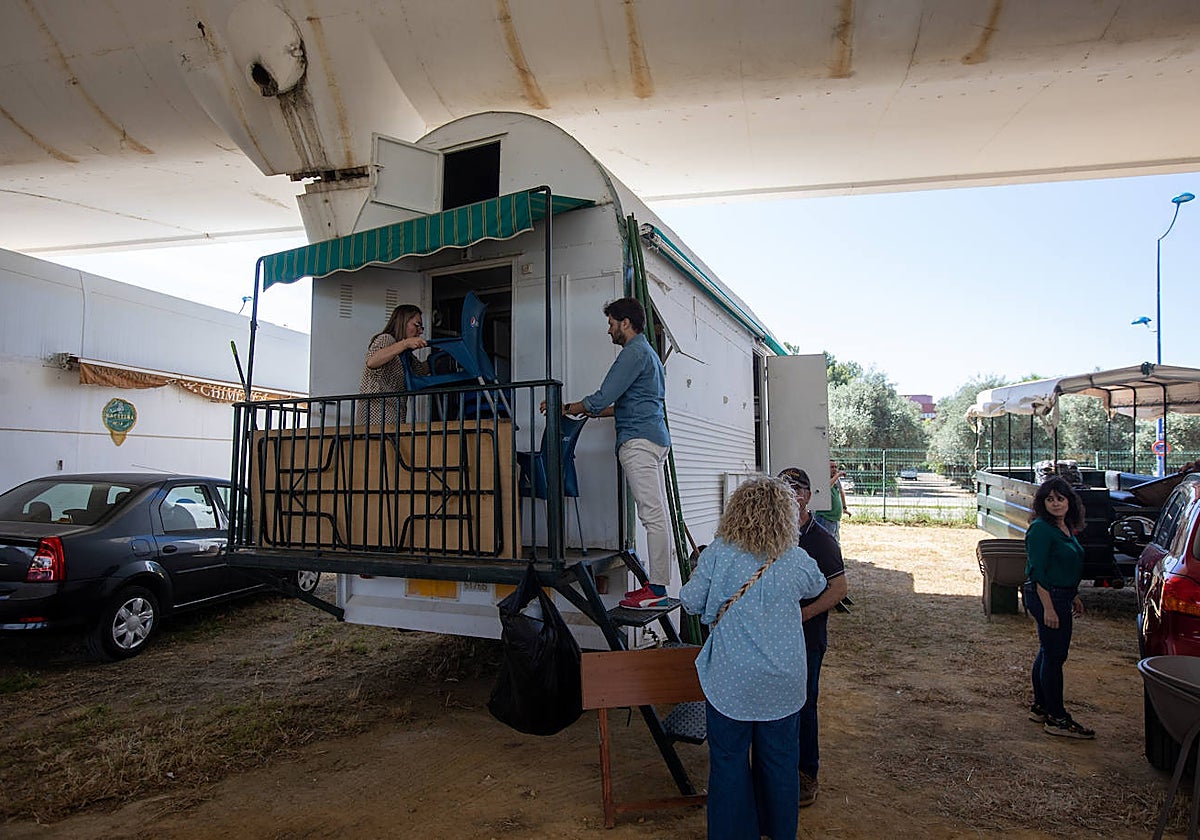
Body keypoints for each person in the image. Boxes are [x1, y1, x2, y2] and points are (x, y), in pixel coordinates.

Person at [680, 475, 827, 840]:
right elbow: (819, 585)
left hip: (730, 682)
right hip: (782, 682)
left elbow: (689, 601)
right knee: (779, 765)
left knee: (728, 766)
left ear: (736, 512)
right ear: (784, 515)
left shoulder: (717, 554)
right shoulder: (794, 558)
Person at [558, 297, 673, 610]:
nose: (608, 330)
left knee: (652, 516)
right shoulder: (648, 355)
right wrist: (587, 412)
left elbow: (600, 398)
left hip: (639, 442)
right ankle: (656, 585)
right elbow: (621, 405)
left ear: (625, 323)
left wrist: (566, 407)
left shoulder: (633, 354)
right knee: (656, 514)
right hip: (652, 438)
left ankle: (658, 589)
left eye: (611, 323)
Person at [778, 467, 848, 808]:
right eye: (784, 488)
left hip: (807, 640)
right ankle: (777, 771)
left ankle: (807, 774)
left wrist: (802, 616)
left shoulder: (820, 540)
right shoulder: (771, 538)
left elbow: (839, 588)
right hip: (774, 640)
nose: (792, 494)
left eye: (798, 488)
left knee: (804, 705)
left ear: (809, 495)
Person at [1022, 476, 1095, 739]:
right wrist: (1049, 608)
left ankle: (1041, 706)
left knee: (1048, 651)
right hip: (1047, 596)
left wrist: (1072, 594)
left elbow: (1063, 565)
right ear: (1042, 503)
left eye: (1060, 498)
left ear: (1069, 502)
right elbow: (1037, 571)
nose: (1055, 504)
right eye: (1049, 499)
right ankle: (1057, 717)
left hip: (1062, 595)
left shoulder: (1064, 527)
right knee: (1055, 655)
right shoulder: (1041, 529)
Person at [359, 304, 428, 426]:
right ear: (402, 321)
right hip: (377, 415)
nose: (420, 331)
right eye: (417, 325)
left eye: (421, 327)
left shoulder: (407, 355)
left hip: (396, 416)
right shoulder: (386, 339)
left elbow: (421, 370)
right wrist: (405, 343)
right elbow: (372, 361)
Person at [816, 460, 851, 541]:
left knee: (835, 542)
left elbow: (841, 491)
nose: (834, 469)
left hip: (834, 519)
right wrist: (838, 475)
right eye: (832, 467)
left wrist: (844, 507)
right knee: (826, 542)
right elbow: (827, 487)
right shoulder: (822, 479)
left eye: (836, 467)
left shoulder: (835, 479)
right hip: (825, 518)